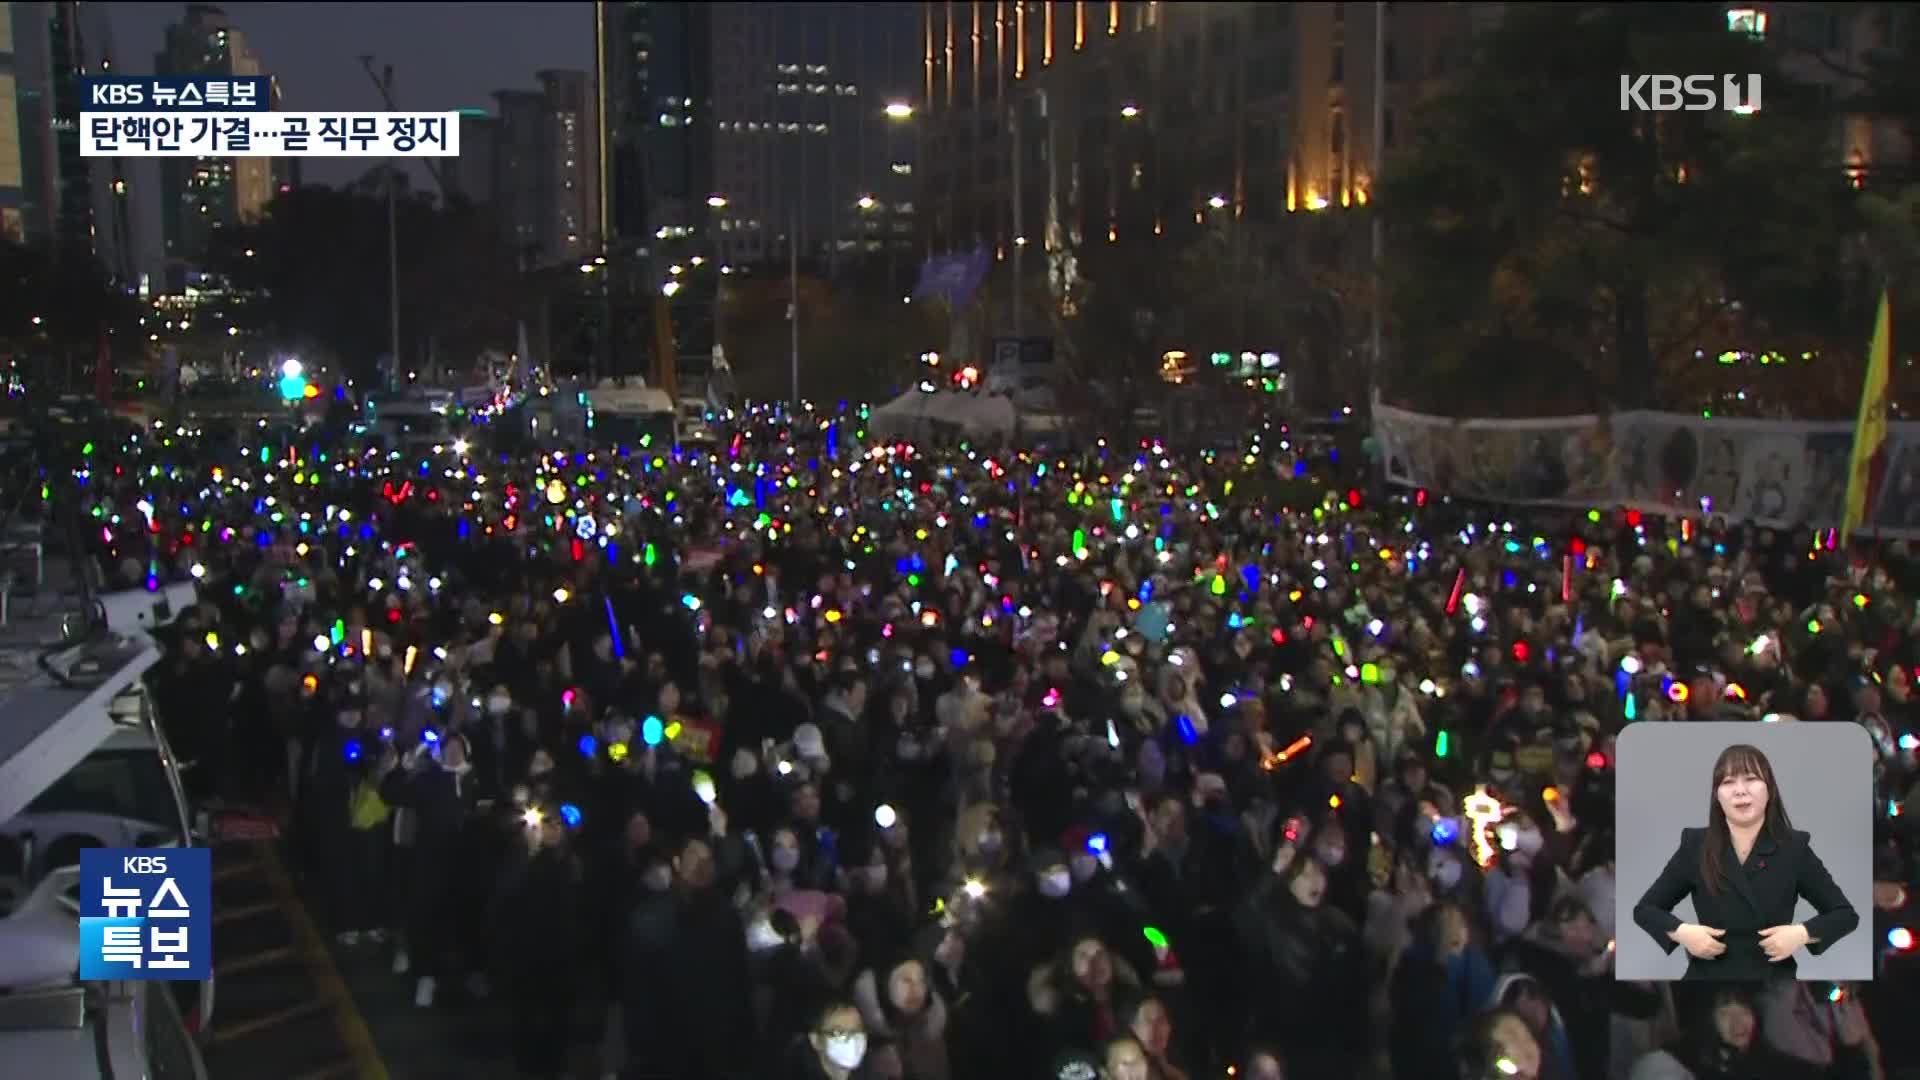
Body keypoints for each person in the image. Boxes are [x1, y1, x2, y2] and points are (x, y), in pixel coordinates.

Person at [1631, 743, 1859, 980]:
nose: (1740, 791)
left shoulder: (1794, 848)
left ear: (1769, 788)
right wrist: (1683, 933)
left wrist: (1801, 934)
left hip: (1772, 983)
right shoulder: (1695, 845)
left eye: (1750, 779)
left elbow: (1844, 914)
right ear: (1717, 796)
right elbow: (1646, 909)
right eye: (1728, 782)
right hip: (1707, 980)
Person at [786, 998, 879, 1079]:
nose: (852, 1040)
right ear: (816, 1040)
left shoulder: (872, 1071)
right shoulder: (795, 1073)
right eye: (839, 1032)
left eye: (857, 1031)